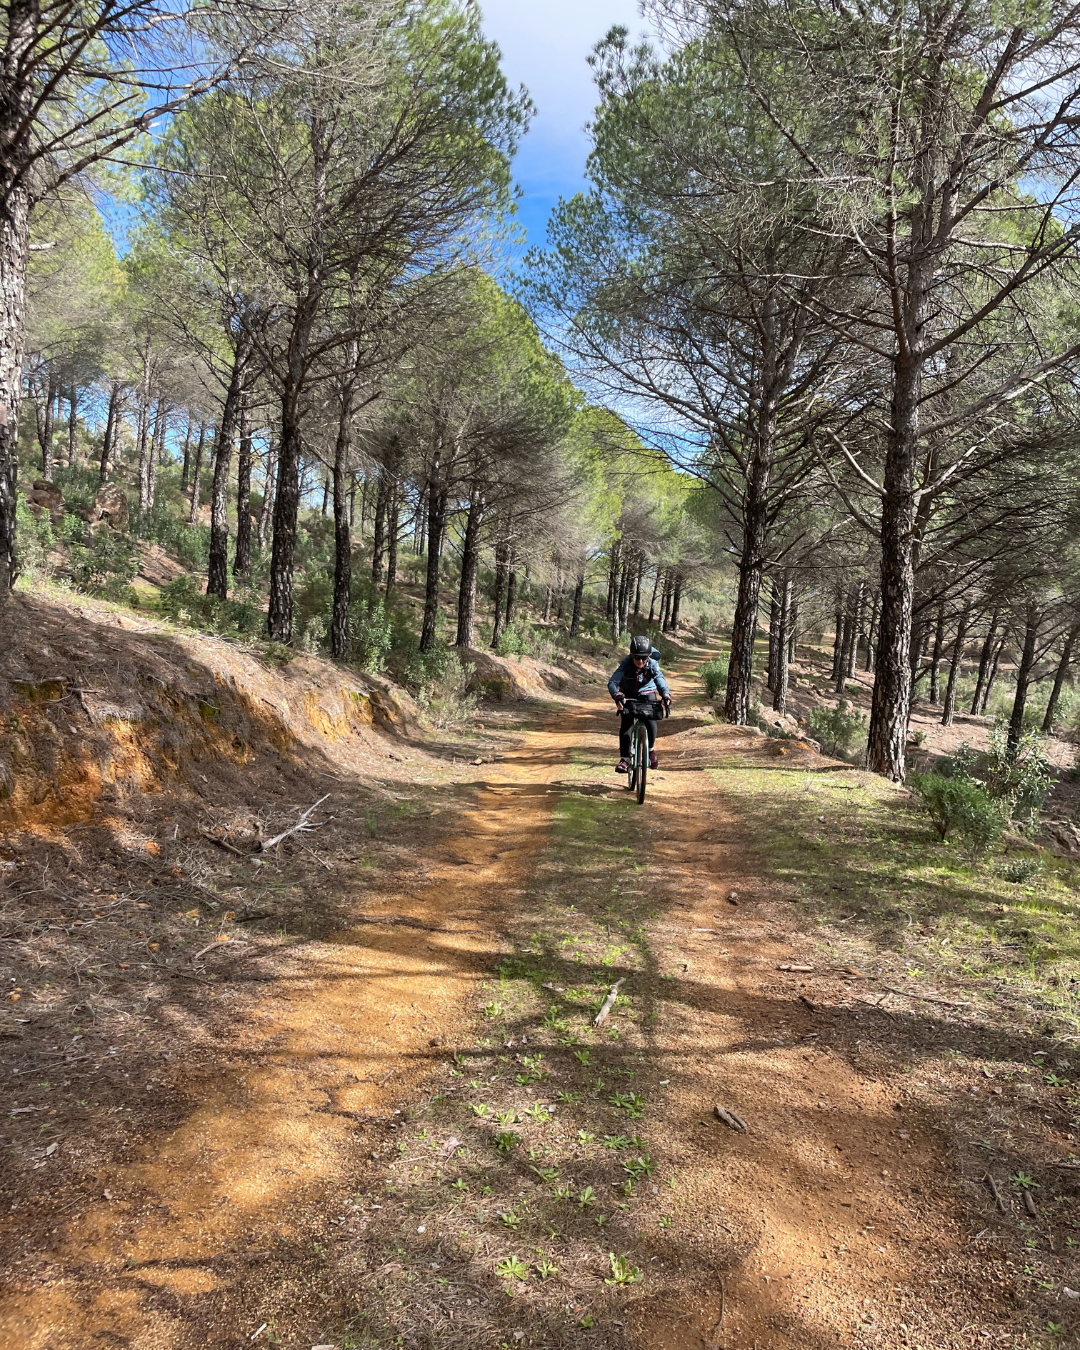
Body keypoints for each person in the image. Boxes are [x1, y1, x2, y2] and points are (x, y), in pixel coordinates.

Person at [607, 634, 671, 774]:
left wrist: (665, 694)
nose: (641, 661)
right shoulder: (626, 663)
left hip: (647, 693)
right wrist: (617, 695)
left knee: (650, 721)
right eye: (637, 658)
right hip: (628, 693)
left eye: (644, 658)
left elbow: (659, 679)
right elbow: (613, 682)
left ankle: (651, 750)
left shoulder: (652, 663)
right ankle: (624, 759)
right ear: (631, 655)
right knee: (626, 722)